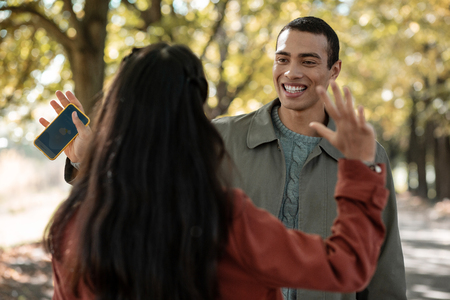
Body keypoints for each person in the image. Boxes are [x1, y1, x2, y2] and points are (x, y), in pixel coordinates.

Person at [41, 43, 389, 300]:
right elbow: (345, 265)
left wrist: (93, 170)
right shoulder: (226, 219)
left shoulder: (73, 224)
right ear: (193, 118)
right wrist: (359, 167)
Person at [212, 17, 406, 300]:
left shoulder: (367, 154)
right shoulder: (221, 138)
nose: (291, 72)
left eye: (308, 61)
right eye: (282, 59)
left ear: (334, 70)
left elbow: (383, 265)